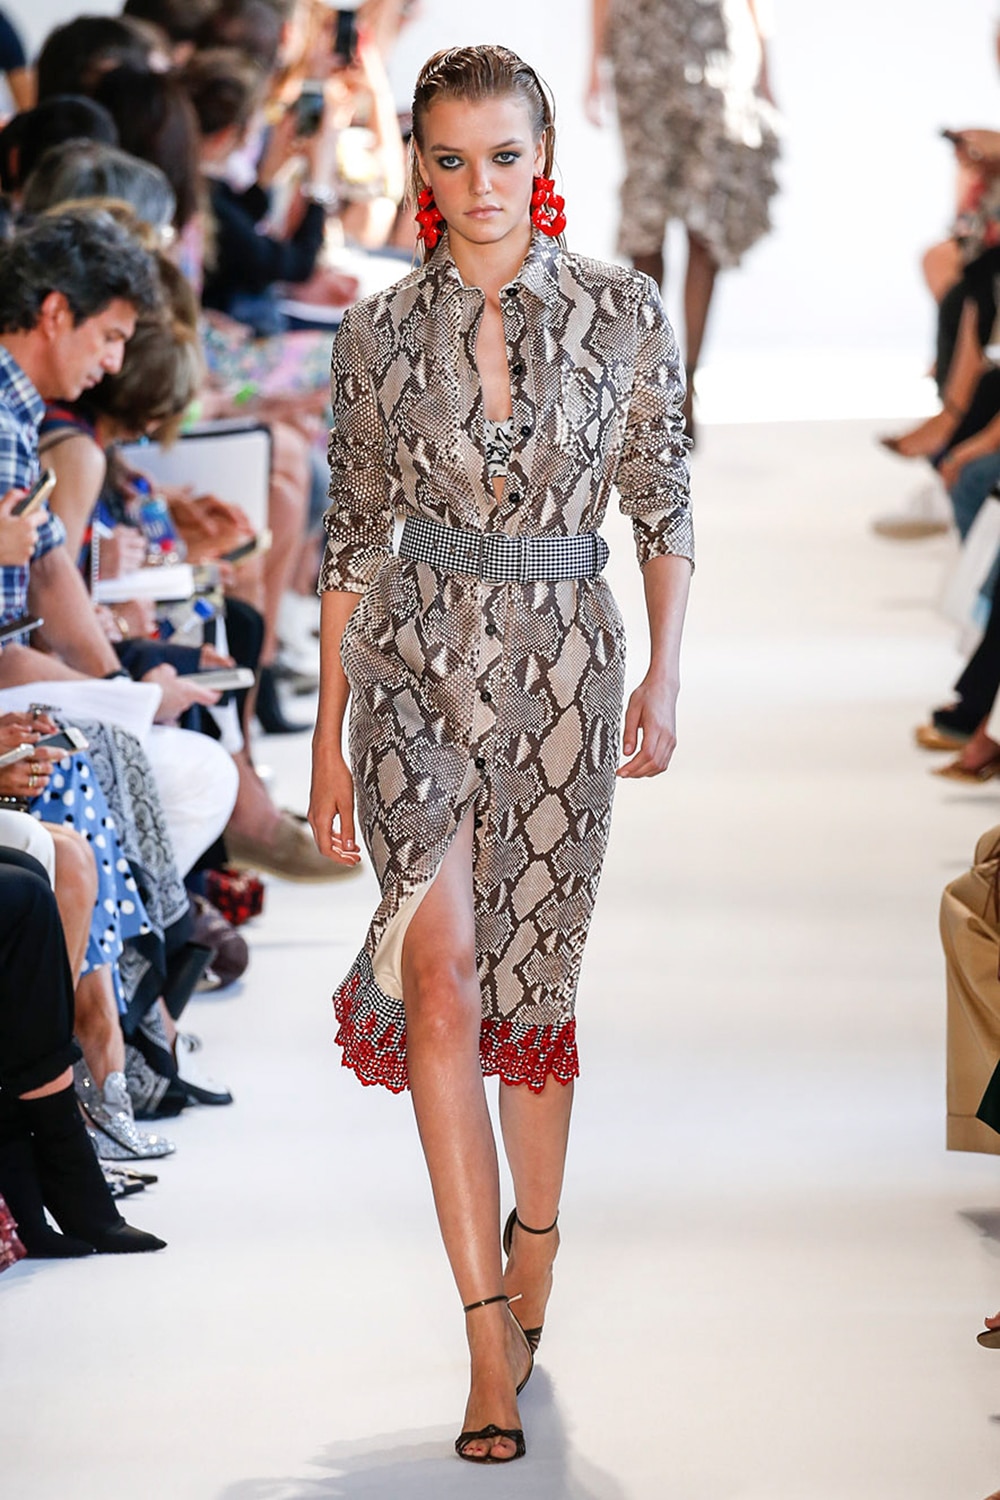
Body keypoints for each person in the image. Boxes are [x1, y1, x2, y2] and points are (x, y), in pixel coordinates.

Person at [308, 44, 692, 1464]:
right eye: (453, 158)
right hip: (409, 665)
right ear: (419, 164)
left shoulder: (622, 311)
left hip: (565, 679)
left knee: (533, 992)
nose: (481, 185)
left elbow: (662, 497)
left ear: (545, 160)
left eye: (506, 157)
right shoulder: (372, 334)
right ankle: (483, 1334)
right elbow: (351, 536)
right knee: (443, 981)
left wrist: (665, 673)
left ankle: (537, 1240)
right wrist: (327, 739)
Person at [587, 0, 779, 442]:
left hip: (715, 48)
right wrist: (595, 61)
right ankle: (652, 380)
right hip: (641, 52)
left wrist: (765, 63)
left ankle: (688, 381)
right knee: (646, 224)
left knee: (706, 225)